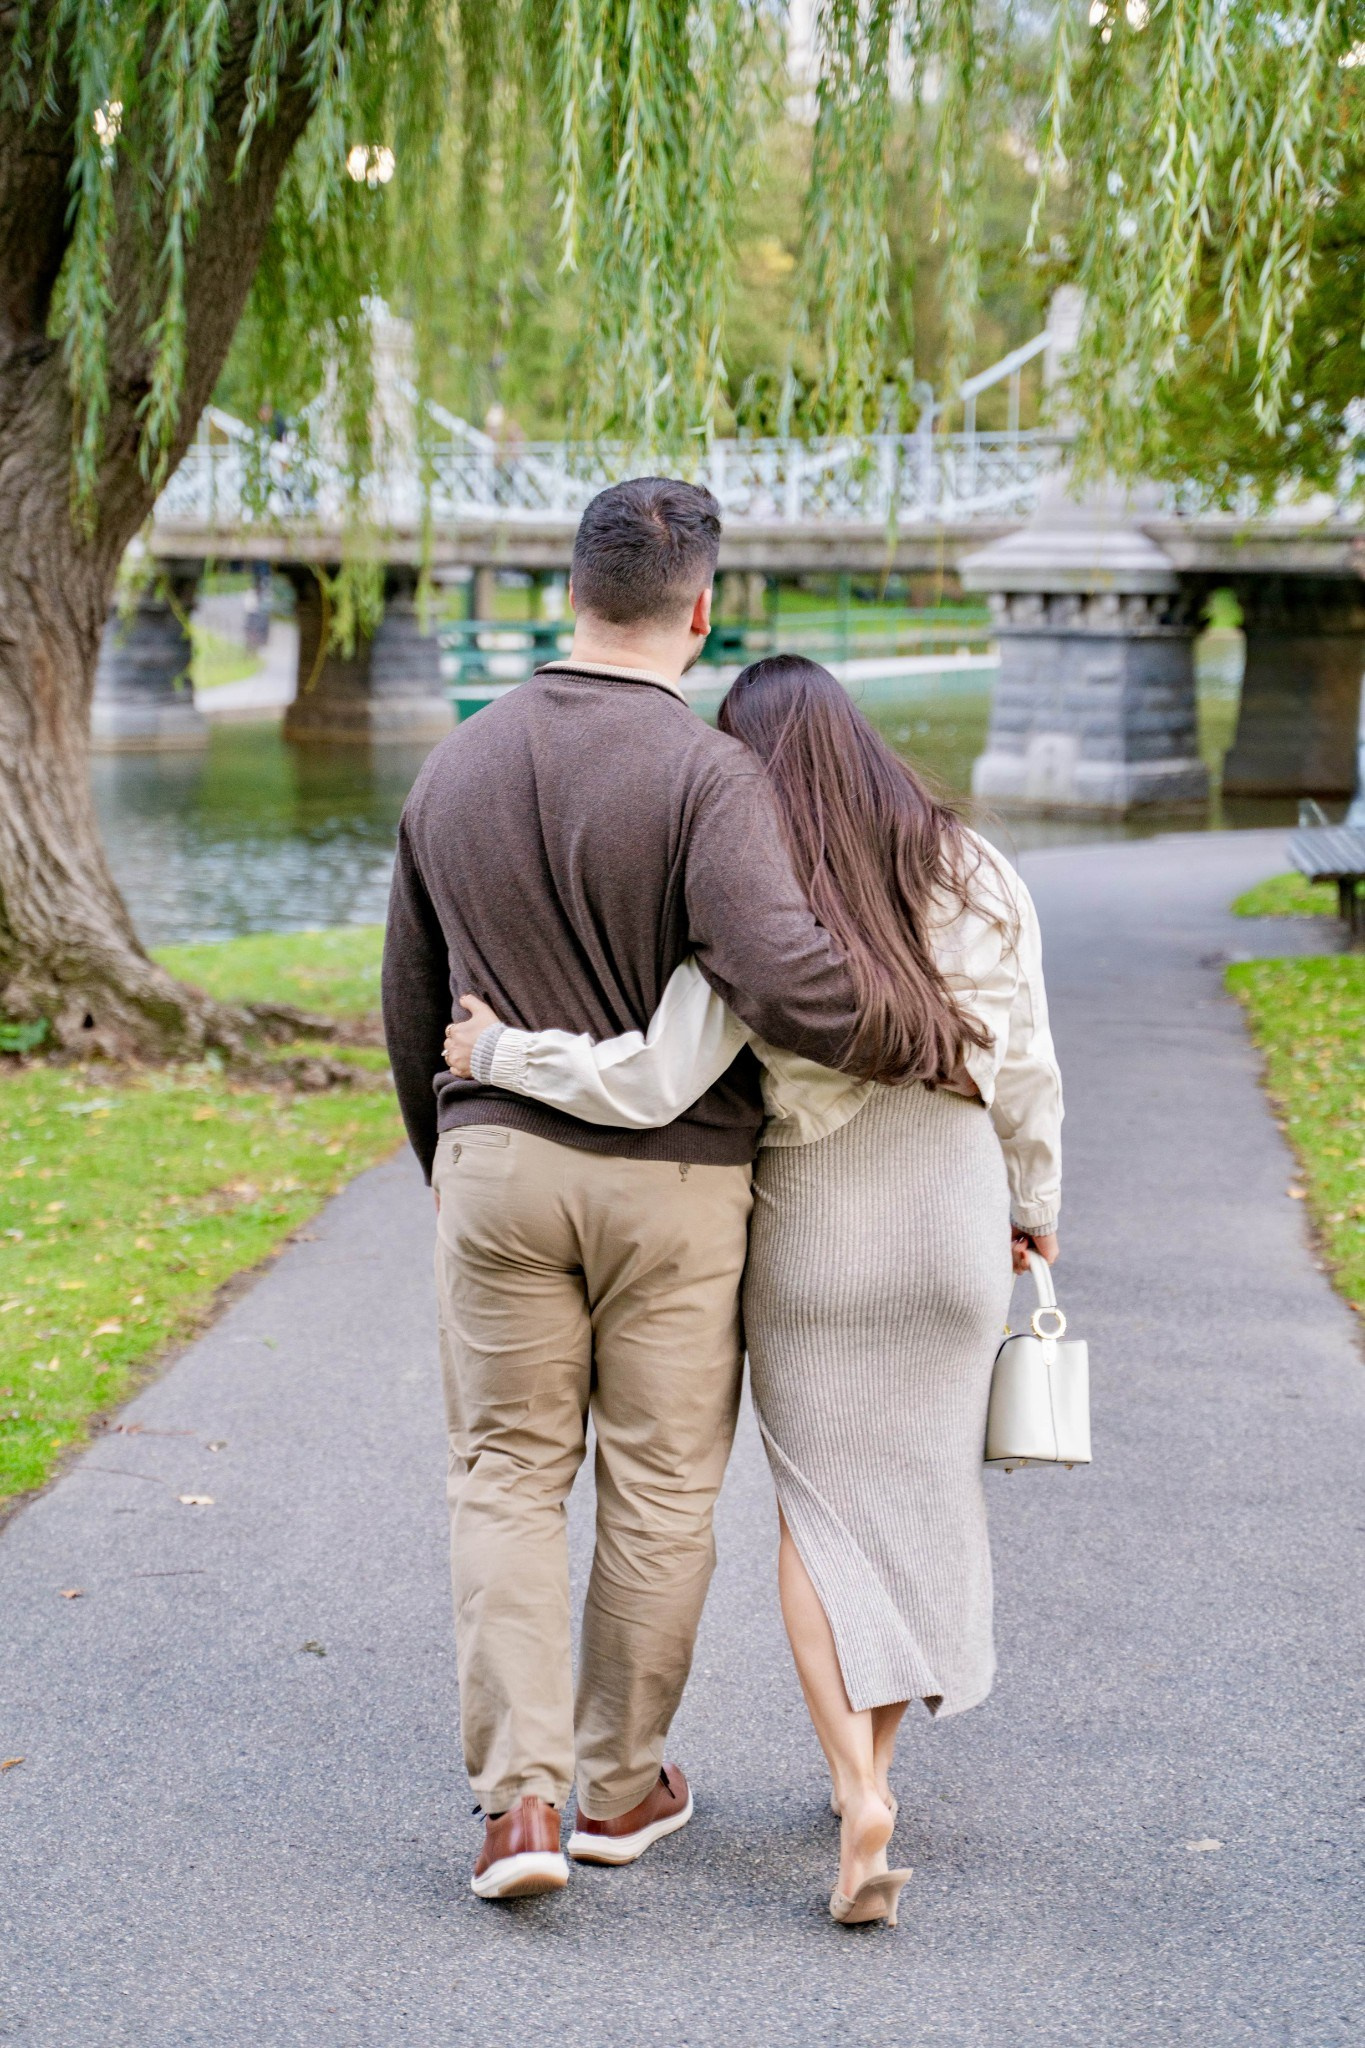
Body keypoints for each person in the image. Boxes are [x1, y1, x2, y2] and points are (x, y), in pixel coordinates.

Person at [444, 654, 1063, 1928]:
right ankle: (868, 1778)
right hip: (952, 1207)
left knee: (821, 1510)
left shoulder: (763, 892)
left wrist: (500, 1052)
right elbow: (1031, 1071)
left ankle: (853, 1785)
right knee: (915, 1492)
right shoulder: (979, 871)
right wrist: (1034, 1206)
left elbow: (654, 1077)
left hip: (815, 1218)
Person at [381, 487, 864, 1904]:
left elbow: (410, 997)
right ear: (701, 609)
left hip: (496, 1165)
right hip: (677, 1183)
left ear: (573, 592)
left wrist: (447, 1158)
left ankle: (518, 1808)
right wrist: (908, 1021)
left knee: (506, 1475)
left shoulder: (455, 764)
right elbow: (778, 972)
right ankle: (618, 1785)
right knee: (659, 1488)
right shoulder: (712, 776)